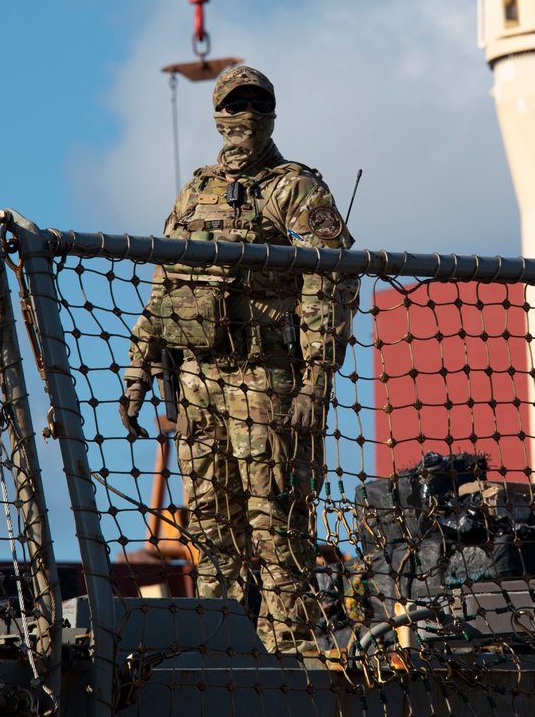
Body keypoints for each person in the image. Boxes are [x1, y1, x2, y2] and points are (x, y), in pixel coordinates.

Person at [120, 65, 358, 654]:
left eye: (256, 104)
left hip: (268, 381)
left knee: (276, 526)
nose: (244, 117)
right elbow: (165, 285)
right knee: (210, 529)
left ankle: (291, 657)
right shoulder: (194, 192)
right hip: (198, 381)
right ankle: (220, 654)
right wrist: (139, 370)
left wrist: (314, 383)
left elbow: (330, 282)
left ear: (271, 114)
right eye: (234, 104)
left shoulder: (296, 190)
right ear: (218, 114)